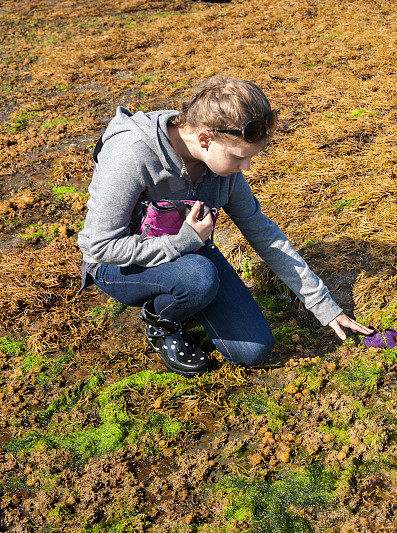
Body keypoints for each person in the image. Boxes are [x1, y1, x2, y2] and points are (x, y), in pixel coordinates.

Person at [77, 76, 372, 376]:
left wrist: (323, 306)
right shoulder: (132, 154)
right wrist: (183, 242)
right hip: (117, 266)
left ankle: (184, 292)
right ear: (205, 139)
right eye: (239, 157)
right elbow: (98, 246)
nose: (246, 168)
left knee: (253, 350)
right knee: (199, 277)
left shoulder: (221, 167)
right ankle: (161, 320)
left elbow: (261, 231)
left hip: (190, 252)